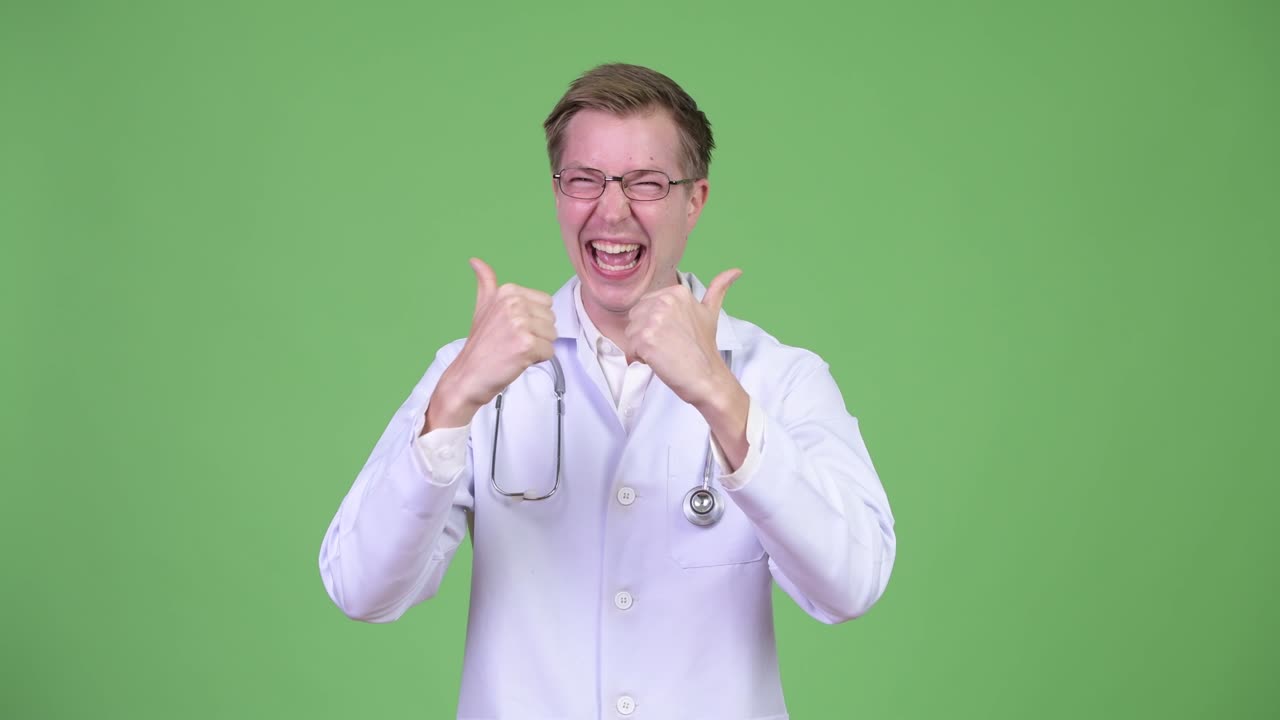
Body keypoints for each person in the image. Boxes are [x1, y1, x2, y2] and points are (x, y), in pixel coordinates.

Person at [318, 63, 896, 720]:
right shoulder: (475, 371)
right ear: (558, 193)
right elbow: (361, 590)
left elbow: (852, 585)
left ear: (694, 199)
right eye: (584, 180)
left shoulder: (779, 376)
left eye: (646, 183)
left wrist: (720, 399)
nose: (611, 210)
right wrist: (450, 409)